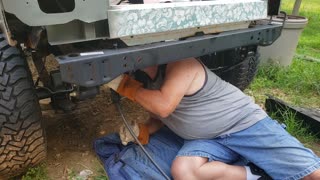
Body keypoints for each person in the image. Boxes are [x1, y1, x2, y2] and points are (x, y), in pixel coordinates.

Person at [108, 57, 320, 180]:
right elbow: (161, 117)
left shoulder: (183, 64)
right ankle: (254, 173)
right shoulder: (145, 82)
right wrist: (143, 130)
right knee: (184, 171)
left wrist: (124, 86)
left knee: (311, 174)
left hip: (243, 125)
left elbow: (163, 106)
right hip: (207, 138)